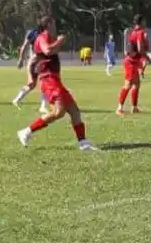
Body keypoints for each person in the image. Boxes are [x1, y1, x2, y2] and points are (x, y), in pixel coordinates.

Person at [17, 15, 96, 150]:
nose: (55, 26)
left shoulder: (48, 37)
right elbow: (47, 50)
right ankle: (26, 131)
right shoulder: (43, 36)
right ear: (48, 24)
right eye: (53, 23)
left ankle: (83, 143)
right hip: (48, 79)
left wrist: (57, 42)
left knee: (74, 110)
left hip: (54, 79)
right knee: (58, 112)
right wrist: (59, 41)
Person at [117, 18, 151, 115]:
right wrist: (147, 58)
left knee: (136, 84)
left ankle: (134, 107)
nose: (145, 23)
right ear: (141, 22)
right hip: (131, 62)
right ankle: (119, 108)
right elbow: (140, 49)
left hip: (133, 61)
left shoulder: (134, 32)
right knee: (128, 85)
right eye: (144, 21)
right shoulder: (140, 32)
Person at [12, 27, 49, 114]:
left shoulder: (46, 33)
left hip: (40, 61)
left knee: (33, 85)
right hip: (36, 61)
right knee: (43, 82)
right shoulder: (34, 33)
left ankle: (16, 100)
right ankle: (43, 107)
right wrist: (21, 59)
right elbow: (25, 46)